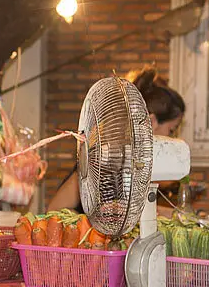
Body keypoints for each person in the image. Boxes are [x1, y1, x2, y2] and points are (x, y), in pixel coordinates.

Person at [47, 67, 186, 212]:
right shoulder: (106, 157)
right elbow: (55, 209)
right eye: (171, 130)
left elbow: (137, 211)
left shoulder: (133, 159)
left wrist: (179, 215)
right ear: (151, 122)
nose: (171, 138)